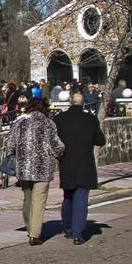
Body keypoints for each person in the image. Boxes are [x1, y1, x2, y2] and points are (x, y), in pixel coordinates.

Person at [5, 98, 65, 246]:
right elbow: (57, 146)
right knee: (39, 200)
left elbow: (10, 144)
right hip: (42, 167)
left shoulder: (20, 122)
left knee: (27, 198)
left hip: (24, 167)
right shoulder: (48, 123)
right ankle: (34, 234)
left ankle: (30, 226)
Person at [54, 92, 106, 245]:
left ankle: (68, 228)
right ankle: (77, 233)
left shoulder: (59, 119)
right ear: (83, 103)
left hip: (66, 162)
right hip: (84, 163)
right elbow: (100, 140)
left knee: (68, 197)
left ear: (70, 102)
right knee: (81, 197)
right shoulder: (90, 119)